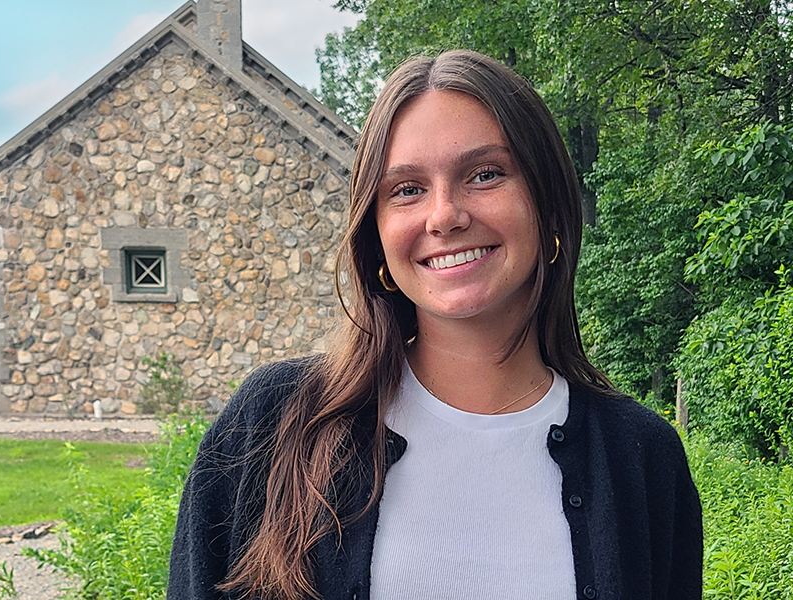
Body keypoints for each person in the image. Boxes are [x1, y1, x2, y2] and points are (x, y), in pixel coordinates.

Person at [168, 50, 702, 600]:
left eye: (485, 174)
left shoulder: (641, 457)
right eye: (407, 189)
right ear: (376, 233)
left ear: (548, 208)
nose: (444, 215)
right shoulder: (275, 426)